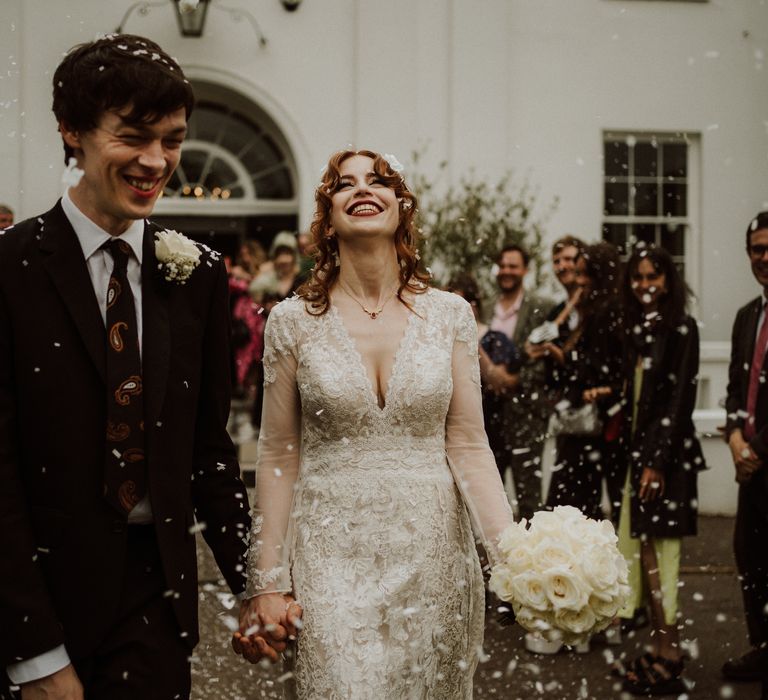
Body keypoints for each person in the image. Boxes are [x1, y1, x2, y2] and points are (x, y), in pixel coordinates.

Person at [0, 35, 251, 700]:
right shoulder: (9, 269)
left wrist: (258, 583)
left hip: (153, 594)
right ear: (72, 132)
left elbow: (208, 451)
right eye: (135, 136)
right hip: (37, 589)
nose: (156, 160)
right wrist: (33, 652)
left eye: (172, 139)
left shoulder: (196, 273)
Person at [233, 149, 514, 697]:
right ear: (328, 213)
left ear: (401, 206)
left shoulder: (451, 315)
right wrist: (267, 580)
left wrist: (513, 558)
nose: (362, 189)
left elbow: (469, 445)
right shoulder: (291, 322)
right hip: (329, 558)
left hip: (434, 556)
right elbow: (278, 456)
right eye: (344, 184)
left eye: (378, 180)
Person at [615, 245, 705, 695]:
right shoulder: (637, 329)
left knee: (660, 558)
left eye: (653, 277)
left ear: (668, 280)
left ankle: (669, 653)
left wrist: (656, 462)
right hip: (640, 457)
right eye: (637, 277)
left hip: (663, 460)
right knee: (643, 553)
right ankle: (656, 647)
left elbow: (678, 401)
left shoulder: (682, 328)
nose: (644, 285)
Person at [722, 211, 768, 696]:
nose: (764, 257)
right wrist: (736, 438)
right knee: (750, 557)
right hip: (748, 466)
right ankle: (762, 645)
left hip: (759, 457)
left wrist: (756, 447)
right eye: (757, 249)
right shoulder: (746, 316)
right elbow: (737, 388)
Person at [544, 241, 624, 520]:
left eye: (582, 273)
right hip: (586, 425)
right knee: (575, 509)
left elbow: (600, 369)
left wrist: (565, 358)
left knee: (571, 510)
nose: (577, 280)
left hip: (596, 424)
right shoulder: (591, 311)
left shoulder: (607, 312)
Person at [483, 245, 553, 520]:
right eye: (503, 266)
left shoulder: (541, 308)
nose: (507, 271)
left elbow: (545, 362)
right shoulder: (485, 307)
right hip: (489, 413)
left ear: (525, 270)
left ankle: (529, 556)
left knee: (529, 498)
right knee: (491, 493)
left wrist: (515, 380)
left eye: (513, 266)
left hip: (526, 414)